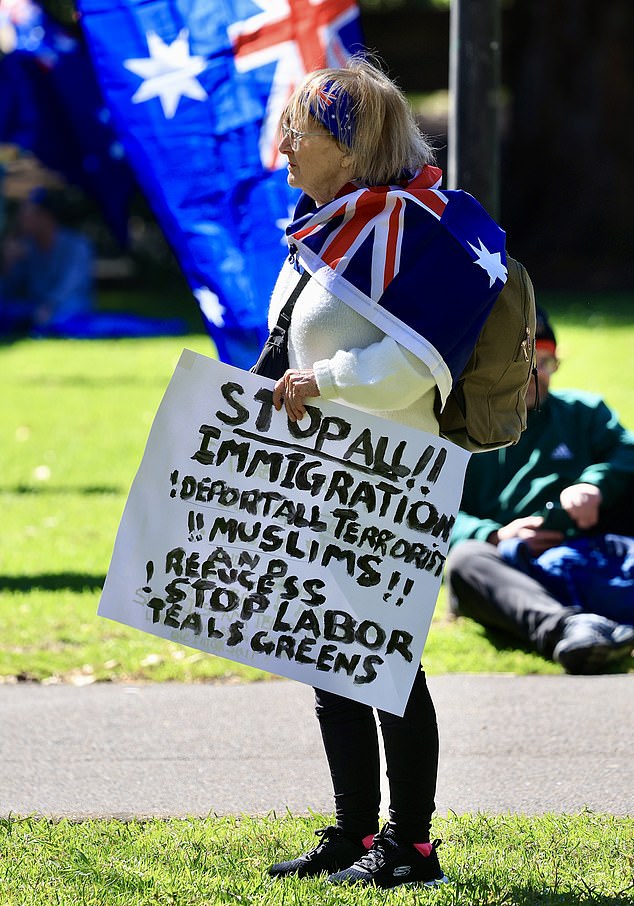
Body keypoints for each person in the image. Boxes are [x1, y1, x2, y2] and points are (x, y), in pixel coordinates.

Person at [257, 56, 508, 889]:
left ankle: (413, 846)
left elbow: (413, 365)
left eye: (296, 131)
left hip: (392, 479)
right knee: (329, 658)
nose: (282, 147)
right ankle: (354, 831)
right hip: (321, 472)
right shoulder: (321, 220)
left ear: (347, 140)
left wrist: (318, 383)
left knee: (385, 660)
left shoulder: (418, 229)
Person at [445, 308, 634, 675]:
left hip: (588, 546)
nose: (534, 374)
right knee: (466, 561)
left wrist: (593, 485)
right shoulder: (461, 432)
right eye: (523, 361)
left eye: (544, 361)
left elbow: (626, 451)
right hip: (513, 565)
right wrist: (495, 535)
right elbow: (435, 515)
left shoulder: (584, 412)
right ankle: (570, 630)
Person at [0, 187, 94, 335]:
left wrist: (48, 307)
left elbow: (66, 287)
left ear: (45, 216)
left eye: (27, 212)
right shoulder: (27, 248)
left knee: (57, 318)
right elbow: (10, 291)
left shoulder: (76, 246)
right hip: (34, 307)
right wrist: (8, 263)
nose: (21, 217)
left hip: (67, 310)